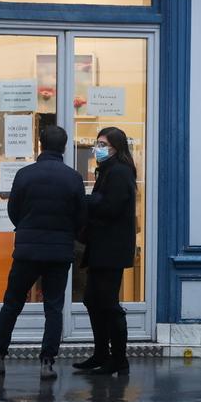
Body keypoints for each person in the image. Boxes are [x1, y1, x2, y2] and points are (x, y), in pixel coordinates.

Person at [0, 126, 86, 379]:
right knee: (53, 306)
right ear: (63, 147)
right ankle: (48, 362)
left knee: (12, 303)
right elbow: (81, 217)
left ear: (40, 145)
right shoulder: (73, 178)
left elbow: (13, 210)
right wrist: (66, 234)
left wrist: (26, 228)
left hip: (27, 250)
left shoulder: (25, 174)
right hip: (59, 252)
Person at [73, 127, 137, 376]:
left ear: (116, 148)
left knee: (108, 303)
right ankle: (102, 353)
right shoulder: (109, 170)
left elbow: (110, 207)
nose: (97, 148)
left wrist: (85, 201)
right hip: (103, 245)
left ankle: (119, 359)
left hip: (111, 248)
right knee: (92, 299)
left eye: (102, 144)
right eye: (97, 143)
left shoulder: (119, 172)